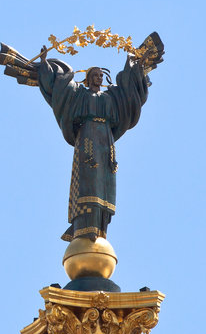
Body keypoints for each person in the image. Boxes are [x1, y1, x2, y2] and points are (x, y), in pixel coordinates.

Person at [35, 47, 157, 242]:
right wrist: (44, 64)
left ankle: (100, 228)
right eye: (95, 75)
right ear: (88, 78)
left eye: (101, 75)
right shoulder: (79, 95)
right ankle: (82, 226)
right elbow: (59, 87)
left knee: (104, 183)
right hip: (87, 138)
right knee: (88, 181)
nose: (99, 78)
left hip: (106, 141)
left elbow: (129, 91)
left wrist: (137, 65)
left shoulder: (111, 97)